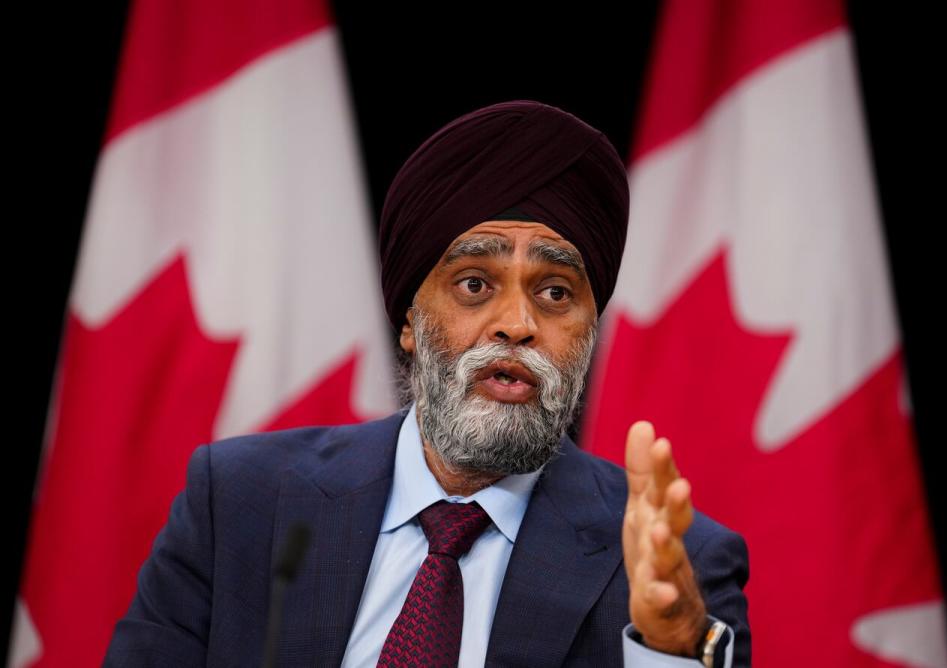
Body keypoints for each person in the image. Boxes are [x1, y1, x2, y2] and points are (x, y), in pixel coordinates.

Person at [105, 100, 750, 667]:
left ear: (588, 333)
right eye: (475, 284)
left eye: (555, 293)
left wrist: (670, 650)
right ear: (410, 321)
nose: (518, 325)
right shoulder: (240, 502)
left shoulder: (680, 568)